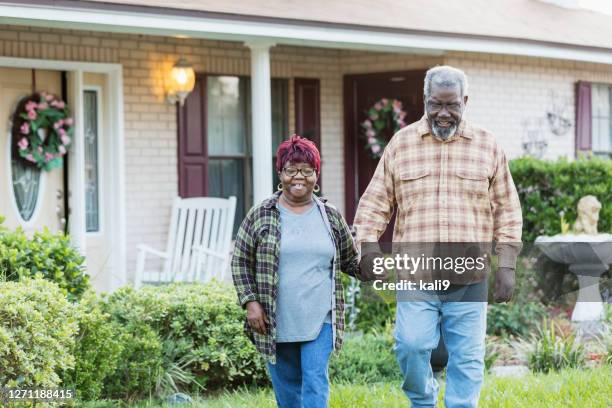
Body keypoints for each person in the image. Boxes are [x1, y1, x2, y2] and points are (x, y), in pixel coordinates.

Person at [353, 65, 523, 408]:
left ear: (465, 101)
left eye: (451, 105)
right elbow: (374, 203)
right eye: (435, 104)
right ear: (425, 100)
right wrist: (368, 248)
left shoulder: (488, 146)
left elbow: (507, 209)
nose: (443, 113)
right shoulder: (401, 145)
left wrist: (507, 265)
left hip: (469, 276)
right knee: (411, 346)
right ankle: (423, 400)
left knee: (468, 358)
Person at [232, 135, 366, 408]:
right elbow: (241, 260)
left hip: (320, 318)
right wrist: (251, 302)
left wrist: (384, 268)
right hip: (275, 318)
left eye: (307, 170)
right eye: (291, 169)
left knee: (315, 381)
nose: (299, 177)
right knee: (288, 391)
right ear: (280, 173)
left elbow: (350, 261)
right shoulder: (261, 214)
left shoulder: (330, 216)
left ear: (316, 174)